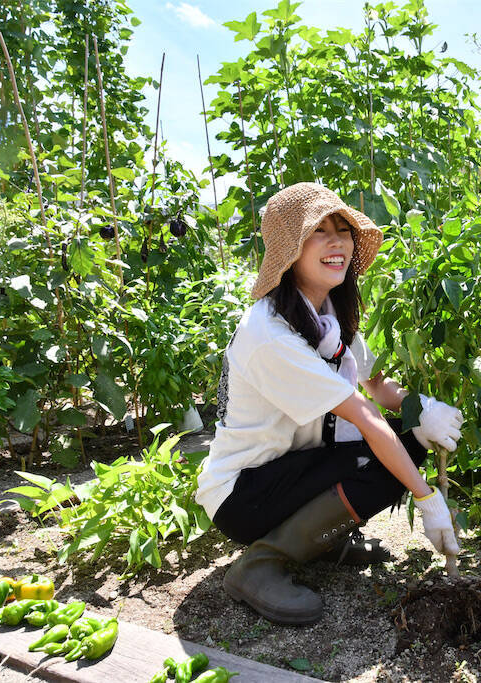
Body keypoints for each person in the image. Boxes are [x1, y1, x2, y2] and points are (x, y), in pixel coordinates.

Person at [195, 182, 463, 625]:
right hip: (244, 495)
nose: (337, 240)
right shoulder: (270, 334)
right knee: (377, 465)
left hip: (293, 468)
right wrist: (426, 498)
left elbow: (376, 385)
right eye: (319, 230)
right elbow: (364, 413)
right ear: (289, 250)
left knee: (407, 444)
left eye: (343, 228)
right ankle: (258, 566)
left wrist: (423, 409)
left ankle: (322, 537)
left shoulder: (328, 317)